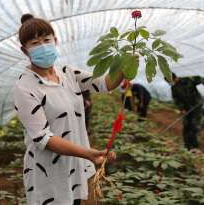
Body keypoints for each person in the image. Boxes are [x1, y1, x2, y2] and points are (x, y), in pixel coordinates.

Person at [14, 14, 125, 205]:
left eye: (46, 40)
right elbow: (43, 138)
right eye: (35, 43)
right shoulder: (24, 87)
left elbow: (104, 84)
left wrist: (125, 64)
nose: (42, 46)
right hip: (48, 170)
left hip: (78, 164)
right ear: (25, 50)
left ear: (55, 41)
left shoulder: (68, 73)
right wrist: (88, 153)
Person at [166, 73, 204, 150]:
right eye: (169, 82)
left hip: (196, 107)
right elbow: (176, 99)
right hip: (186, 109)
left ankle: (195, 147)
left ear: (175, 78)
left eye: (172, 81)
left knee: (195, 126)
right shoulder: (174, 88)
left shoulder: (188, 80)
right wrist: (182, 109)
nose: (172, 83)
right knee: (186, 126)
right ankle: (187, 146)